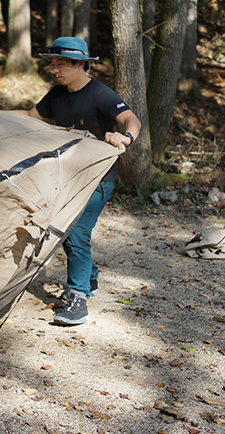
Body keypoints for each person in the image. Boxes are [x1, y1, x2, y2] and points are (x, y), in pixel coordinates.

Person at [11, 36, 142, 325]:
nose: (54, 70)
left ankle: (78, 298)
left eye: (60, 65)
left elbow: (132, 119)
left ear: (80, 64)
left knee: (75, 233)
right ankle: (90, 277)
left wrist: (125, 136)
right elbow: (32, 117)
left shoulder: (100, 94)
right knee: (69, 233)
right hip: (66, 176)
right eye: (52, 64)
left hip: (98, 178)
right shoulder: (56, 95)